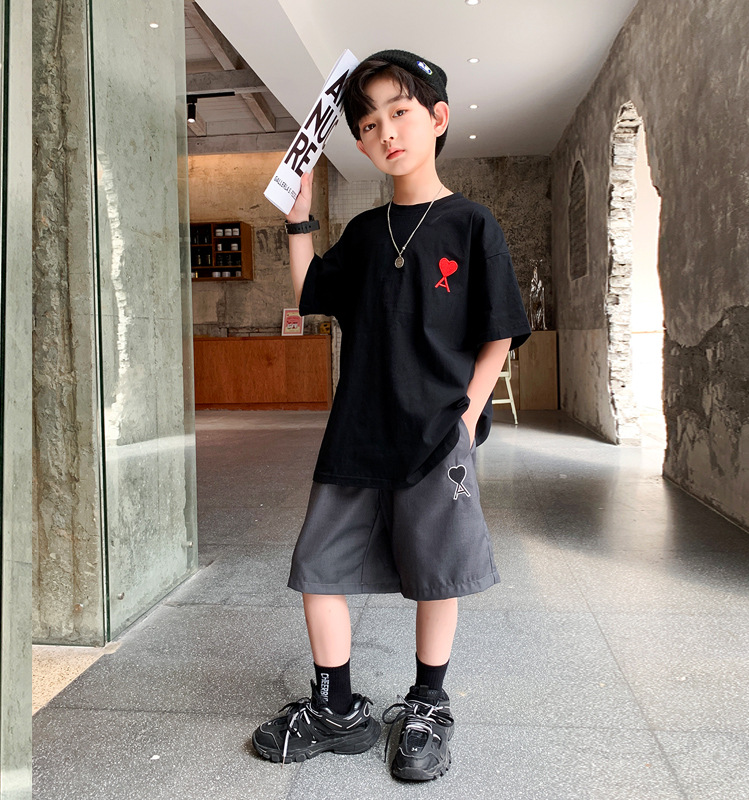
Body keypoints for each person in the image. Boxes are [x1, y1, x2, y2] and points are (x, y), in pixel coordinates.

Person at [252, 49, 530, 781]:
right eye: (369, 123)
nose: (386, 132)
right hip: (357, 431)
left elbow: (499, 331)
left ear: (437, 118)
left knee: (437, 573)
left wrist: (467, 418)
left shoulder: (472, 224)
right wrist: (300, 220)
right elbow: (313, 294)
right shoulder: (366, 233)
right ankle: (337, 709)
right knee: (318, 567)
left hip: (436, 435)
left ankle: (428, 703)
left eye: (400, 113)